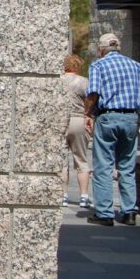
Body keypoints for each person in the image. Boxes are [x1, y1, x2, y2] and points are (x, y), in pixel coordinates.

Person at [84, 33, 140, 226]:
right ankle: (129, 212)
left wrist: (87, 113)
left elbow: (93, 92)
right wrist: (138, 102)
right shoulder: (134, 65)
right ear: (118, 47)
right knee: (126, 165)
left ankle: (104, 213)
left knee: (103, 165)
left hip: (108, 116)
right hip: (131, 118)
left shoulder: (98, 65)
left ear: (101, 50)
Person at [61, 54, 91, 208]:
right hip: (78, 119)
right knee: (81, 160)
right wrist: (87, 114)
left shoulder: (58, 80)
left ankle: (63, 195)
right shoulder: (83, 81)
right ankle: (84, 196)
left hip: (61, 121)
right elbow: (91, 98)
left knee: (62, 161)